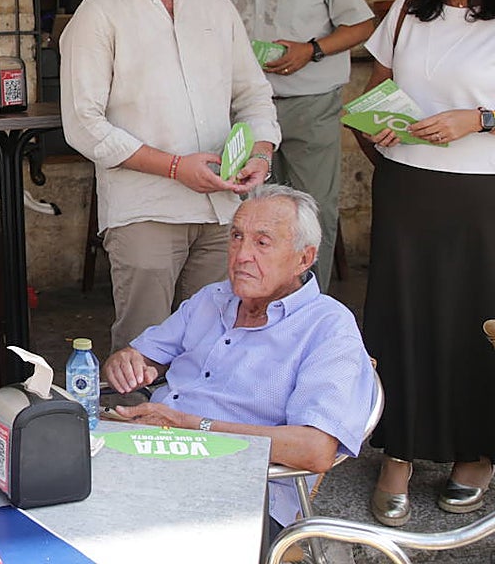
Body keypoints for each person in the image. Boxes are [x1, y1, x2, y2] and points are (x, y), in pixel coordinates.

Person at [60, 0, 281, 352]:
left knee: (215, 349)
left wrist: (261, 153)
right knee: (143, 354)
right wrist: (176, 168)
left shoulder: (215, 5)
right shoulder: (97, 14)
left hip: (222, 211)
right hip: (145, 213)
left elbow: (253, 95)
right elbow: (84, 125)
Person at [104, 185, 375, 534]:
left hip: (240, 489)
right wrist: (127, 360)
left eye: (262, 242)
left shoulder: (328, 327)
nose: (242, 255)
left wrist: (190, 426)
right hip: (151, 458)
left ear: (303, 258)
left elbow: (315, 449)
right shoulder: (213, 298)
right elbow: (142, 354)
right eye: (236, 237)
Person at [359, 0, 495, 527]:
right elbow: (378, 87)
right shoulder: (410, 9)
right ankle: (399, 452)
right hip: (407, 190)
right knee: (401, 319)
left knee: (474, 322)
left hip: (482, 198)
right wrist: (378, 123)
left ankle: (476, 453)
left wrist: (480, 118)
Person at [207, 0, 375, 289]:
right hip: (246, 109)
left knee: (312, 212)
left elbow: (361, 25)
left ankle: (309, 306)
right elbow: (196, 23)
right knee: (249, 212)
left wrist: (311, 50)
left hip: (308, 103)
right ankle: (254, 300)